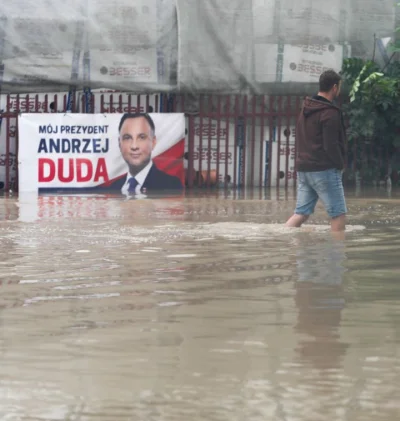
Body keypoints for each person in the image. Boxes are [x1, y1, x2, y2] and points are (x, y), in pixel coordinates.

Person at [285, 69, 347, 232]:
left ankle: (282, 240)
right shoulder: (330, 113)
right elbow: (331, 145)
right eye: (339, 87)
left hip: (304, 169)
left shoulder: (305, 108)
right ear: (335, 87)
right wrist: (340, 164)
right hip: (324, 169)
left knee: (300, 213)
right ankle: (337, 256)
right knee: (338, 214)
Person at [107, 113, 183, 195]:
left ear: (153, 142)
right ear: (119, 143)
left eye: (142, 137)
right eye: (127, 138)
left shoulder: (171, 185)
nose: (134, 146)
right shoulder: (114, 187)